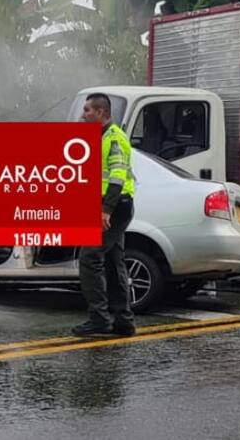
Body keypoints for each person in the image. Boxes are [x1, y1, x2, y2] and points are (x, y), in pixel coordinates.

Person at [73, 92, 137, 338]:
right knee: (112, 262)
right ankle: (123, 321)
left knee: (90, 258)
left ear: (101, 112)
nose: (83, 114)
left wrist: (105, 210)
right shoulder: (96, 138)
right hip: (111, 205)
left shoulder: (114, 138)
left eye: (88, 110)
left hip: (114, 206)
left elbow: (118, 176)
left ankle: (99, 319)